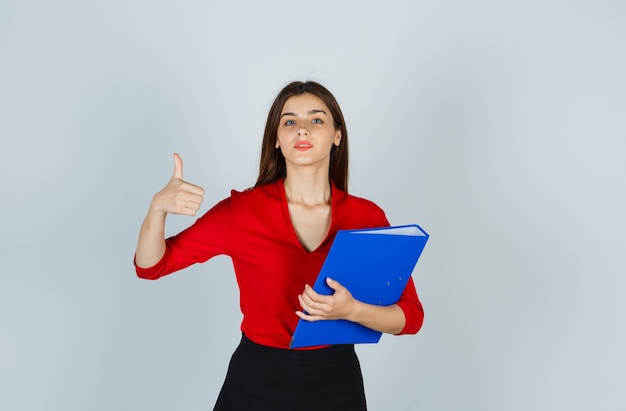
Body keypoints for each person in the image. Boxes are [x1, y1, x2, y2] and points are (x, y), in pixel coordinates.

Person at [134, 81, 424, 411]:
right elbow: (151, 265)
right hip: (256, 381)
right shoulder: (242, 212)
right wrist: (157, 209)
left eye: (316, 120)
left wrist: (352, 311)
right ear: (276, 139)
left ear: (337, 135)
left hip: (337, 381)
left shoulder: (366, 217)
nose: (302, 130)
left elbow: (411, 317)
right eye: (289, 121)